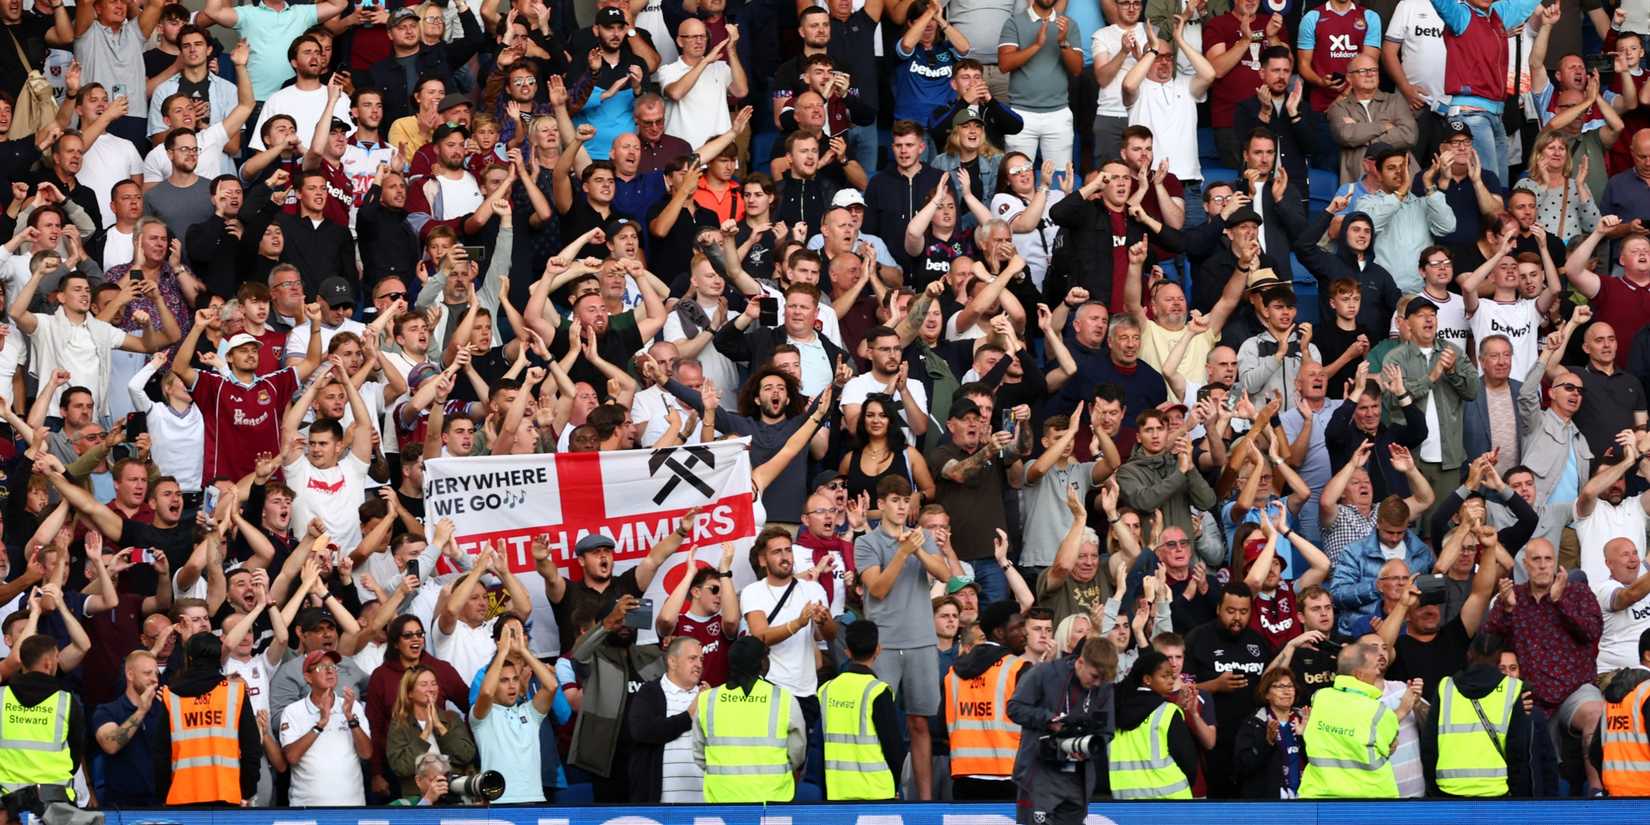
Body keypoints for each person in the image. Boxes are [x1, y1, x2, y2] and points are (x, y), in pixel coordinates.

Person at [855, 475, 948, 799]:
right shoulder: (866, 543)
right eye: (894, 500)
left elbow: (946, 575)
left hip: (922, 640)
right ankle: (884, 792)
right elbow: (877, 589)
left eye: (905, 500)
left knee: (921, 724)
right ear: (881, 505)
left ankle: (924, 801)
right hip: (885, 645)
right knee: (879, 724)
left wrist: (918, 551)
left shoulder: (920, 538)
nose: (900, 505)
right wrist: (902, 552)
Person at [1006, 638, 1117, 824]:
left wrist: (1087, 747)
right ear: (1080, 662)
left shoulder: (1104, 688)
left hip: (1078, 780)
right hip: (1039, 774)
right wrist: (1048, 719)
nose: (1098, 683)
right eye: (1094, 676)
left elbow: (1107, 731)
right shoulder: (1044, 673)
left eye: (1103, 679)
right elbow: (1014, 708)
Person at [695, 636, 807, 803]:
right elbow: (797, 750)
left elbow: (698, 753)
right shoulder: (782, 698)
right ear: (762, 663)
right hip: (772, 800)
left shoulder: (707, 699)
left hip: (721, 799)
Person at [1420, 632, 1533, 797]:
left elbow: (1429, 745)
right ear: (1498, 659)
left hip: (1448, 791)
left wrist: (1433, 791)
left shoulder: (1446, 687)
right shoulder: (1512, 688)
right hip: (1495, 792)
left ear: (1469, 654)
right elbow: (1518, 751)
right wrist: (1516, 795)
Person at [154, 633, 259, 805]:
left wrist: (162, 795)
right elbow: (251, 748)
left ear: (188, 658)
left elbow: (161, 755)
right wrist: (247, 790)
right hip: (227, 795)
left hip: (181, 796)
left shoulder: (170, 695)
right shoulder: (235, 693)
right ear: (218, 657)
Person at [944, 601, 1030, 800]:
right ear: (999, 632)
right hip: (1008, 774)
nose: (1024, 633)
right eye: (1017, 627)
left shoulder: (953, 673)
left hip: (964, 775)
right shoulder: (1018, 668)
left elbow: (941, 729)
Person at [1298, 640, 1402, 797]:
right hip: (1371, 801)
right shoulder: (1380, 712)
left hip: (1319, 796)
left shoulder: (1319, 698)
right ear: (1359, 674)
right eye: (1375, 667)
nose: (1377, 673)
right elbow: (1389, 747)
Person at [471, 621, 557, 803]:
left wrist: (524, 650)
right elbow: (486, 692)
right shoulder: (482, 716)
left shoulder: (530, 712)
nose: (511, 685)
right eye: (503, 680)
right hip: (498, 801)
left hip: (534, 799)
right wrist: (502, 652)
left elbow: (551, 685)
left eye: (515, 679)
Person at [818, 620, 902, 801]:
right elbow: (894, 746)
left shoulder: (826, 690)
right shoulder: (878, 691)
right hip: (877, 790)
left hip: (837, 790)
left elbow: (818, 744)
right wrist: (896, 783)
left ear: (847, 651)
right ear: (878, 649)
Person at [279, 648, 371, 805]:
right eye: (321, 667)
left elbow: (367, 753)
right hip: (307, 808)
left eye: (333, 667)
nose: (330, 671)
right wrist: (320, 725)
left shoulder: (352, 706)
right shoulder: (292, 711)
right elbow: (292, 757)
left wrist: (351, 719)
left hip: (352, 806)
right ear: (308, 677)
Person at [0, 634, 83, 801]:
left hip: (6, 804)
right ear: (48, 663)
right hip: (54, 803)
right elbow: (76, 755)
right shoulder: (66, 701)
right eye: (57, 657)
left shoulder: (2, 697)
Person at [625, 637, 705, 803]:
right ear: (672, 662)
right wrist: (688, 716)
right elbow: (641, 731)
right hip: (660, 803)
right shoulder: (650, 692)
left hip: (703, 800)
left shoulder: (709, 695)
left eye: (701, 659)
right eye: (692, 658)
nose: (699, 664)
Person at [1110, 648, 1198, 799]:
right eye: (1164, 676)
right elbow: (1188, 763)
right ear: (1147, 679)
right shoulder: (1168, 711)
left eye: (1172, 675)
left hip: (1125, 802)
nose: (1171, 680)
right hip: (1171, 800)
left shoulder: (1115, 711)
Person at [1232, 667, 1307, 798]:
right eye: (1279, 686)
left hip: (1304, 795)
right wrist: (1266, 742)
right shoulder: (1254, 723)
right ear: (1266, 694)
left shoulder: (1304, 719)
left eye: (1290, 686)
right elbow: (1243, 766)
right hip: (1270, 801)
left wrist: (1305, 736)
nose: (1286, 691)